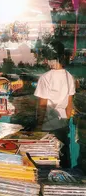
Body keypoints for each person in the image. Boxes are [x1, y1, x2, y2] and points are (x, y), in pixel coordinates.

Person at [34, 40, 75, 168]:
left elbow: (42, 104)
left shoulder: (45, 77)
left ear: (49, 58)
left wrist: (38, 127)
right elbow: (69, 105)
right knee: (62, 157)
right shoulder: (69, 77)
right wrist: (66, 121)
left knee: (47, 160)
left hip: (47, 125)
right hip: (62, 124)